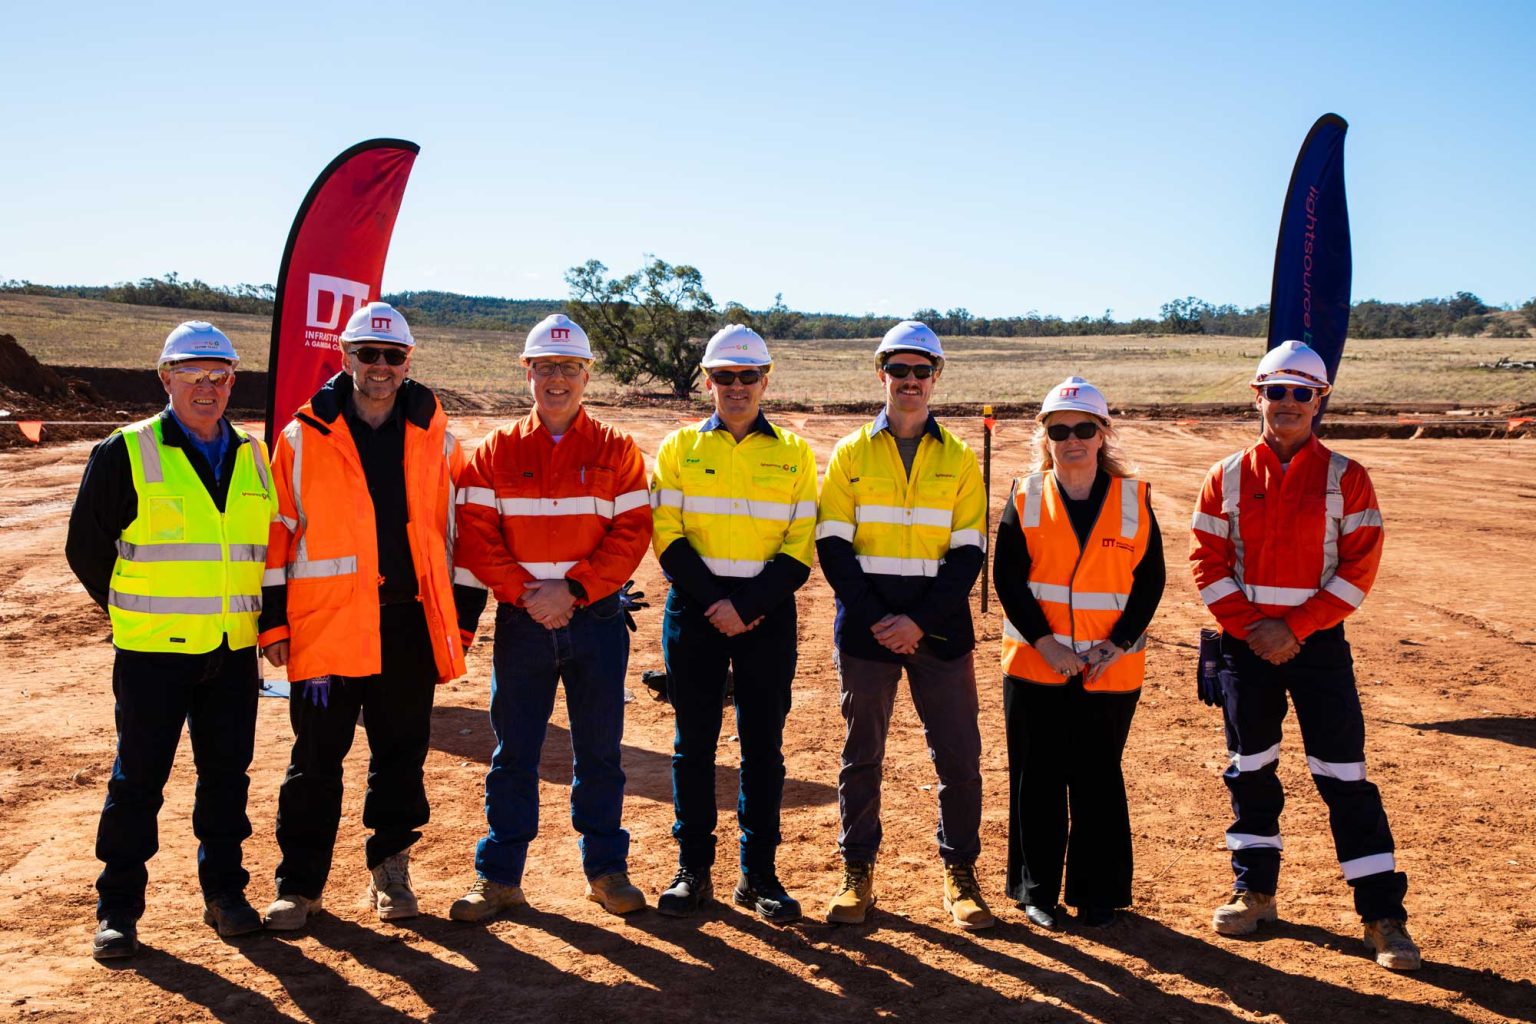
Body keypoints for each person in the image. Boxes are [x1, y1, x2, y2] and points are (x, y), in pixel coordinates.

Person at [1191, 340, 1420, 971]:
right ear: (1257, 396)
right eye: (1277, 391)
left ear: (1320, 400)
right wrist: (1255, 630)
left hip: (1318, 648)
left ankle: (1382, 917)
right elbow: (1207, 564)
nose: (1288, 402)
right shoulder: (1225, 476)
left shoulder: (1349, 476)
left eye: (1302, 392)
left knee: (1344, 777)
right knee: (1251, 769)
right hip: (1245, 649)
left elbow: (1359, 568)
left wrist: (1294, 628)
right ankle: (1255, 893)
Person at [257, 301, 486, 929]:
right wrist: (273, 624)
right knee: (314, 760)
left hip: (408, 627)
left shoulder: (439, 440)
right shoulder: (301, 438)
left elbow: (466, 536)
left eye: (392, 355)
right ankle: (299, 885)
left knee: (401, 756)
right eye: (368, 354)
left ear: (408, 361)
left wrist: (462, 621)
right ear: (345, 357)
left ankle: (391, 872)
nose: (380, 366)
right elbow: (277, 536)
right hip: (326, 629)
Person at [66, 321, 276, 958]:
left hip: (231, 650)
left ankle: (225, 894)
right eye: (192, 374)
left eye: (219, 375)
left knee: (226, 779)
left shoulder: (254, 455)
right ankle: (118, 910)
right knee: (137, 782)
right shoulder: (127, 450)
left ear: (232, 381)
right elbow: (86, 548)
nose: (207, 387)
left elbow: (264, 550)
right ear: (166, 378)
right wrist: (133, 614)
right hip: (153, 653)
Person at [447, 315, 653, 922]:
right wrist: (528, 594)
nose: (556, 379)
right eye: (545, 367)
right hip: (523, 623)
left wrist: (576, 589)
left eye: (568, 367)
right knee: (514, 753)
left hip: (596, 621)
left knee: (600, 752)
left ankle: (606, 871)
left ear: (586, 374)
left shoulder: (617, 450)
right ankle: (499, 877)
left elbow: (632, 532)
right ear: (527, 372)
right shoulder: (496, 450)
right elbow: (476, 535)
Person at [815, 321, 993, 930]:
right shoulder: (851, 453)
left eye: (922, 370)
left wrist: (916, 621)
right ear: (881, 373)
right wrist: (881, 621)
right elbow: (833, 547)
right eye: (899, 369)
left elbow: (968, 553)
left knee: (959, 757)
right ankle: (857, 870)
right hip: (867, 632)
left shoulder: (959, 457)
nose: (910, 381)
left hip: (939, 633)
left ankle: (960, 872)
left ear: (936, 377)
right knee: (861, 755)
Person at [649, 325, 817, 922]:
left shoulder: (795, 453)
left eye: (748, 376)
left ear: (765, 380)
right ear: (707, 381)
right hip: (694, 613)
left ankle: (759, 874)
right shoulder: (678, 449)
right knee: (692, 746)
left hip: (766, 616)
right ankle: (692, 870)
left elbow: (800, 545)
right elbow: (666, 535)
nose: (737, 386)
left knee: (763, 748)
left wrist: (746, 607)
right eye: (725, 376)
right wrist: (716, 603)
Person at [993, 376, 1165, 930]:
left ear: (1102, 434)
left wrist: (1116, 644)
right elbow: (1008, 580)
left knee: (1098, 778)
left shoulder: (1134, 500)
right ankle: (1037, 890)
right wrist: (1047, 644)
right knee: (1037, 778)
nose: (1072, 440)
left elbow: (1150, 582)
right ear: (1045, 436)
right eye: (1060, 430)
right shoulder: (1024, 495)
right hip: (1035, 665)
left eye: (1084, 429)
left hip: (1108, 668)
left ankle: (1098, 893)